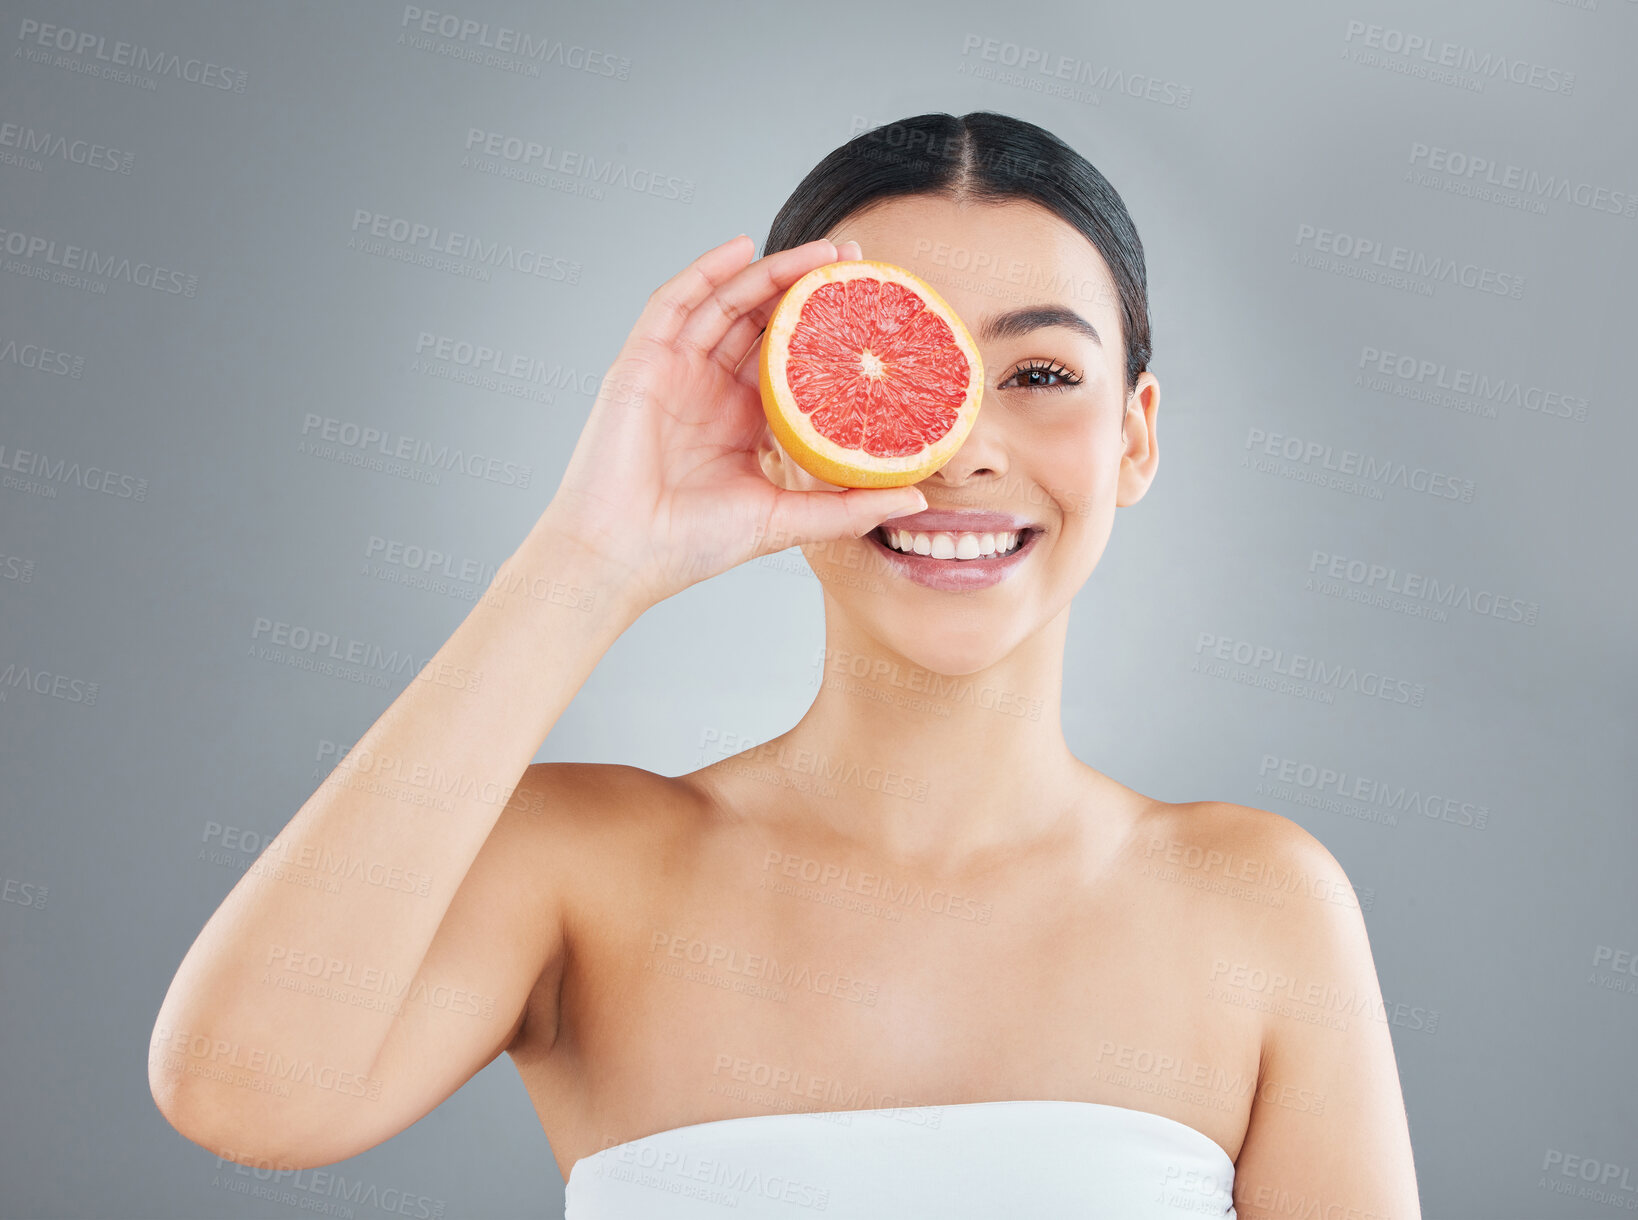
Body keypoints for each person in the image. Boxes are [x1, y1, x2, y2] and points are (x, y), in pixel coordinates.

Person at [148, 111, 1421, 1218]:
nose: (964, 447)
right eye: (896, 369)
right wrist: (591, 554)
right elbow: (238, 1090)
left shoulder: (1257, 901)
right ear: (782, 407)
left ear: (1135, 438)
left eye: (1041, 372)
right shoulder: (584, 867)